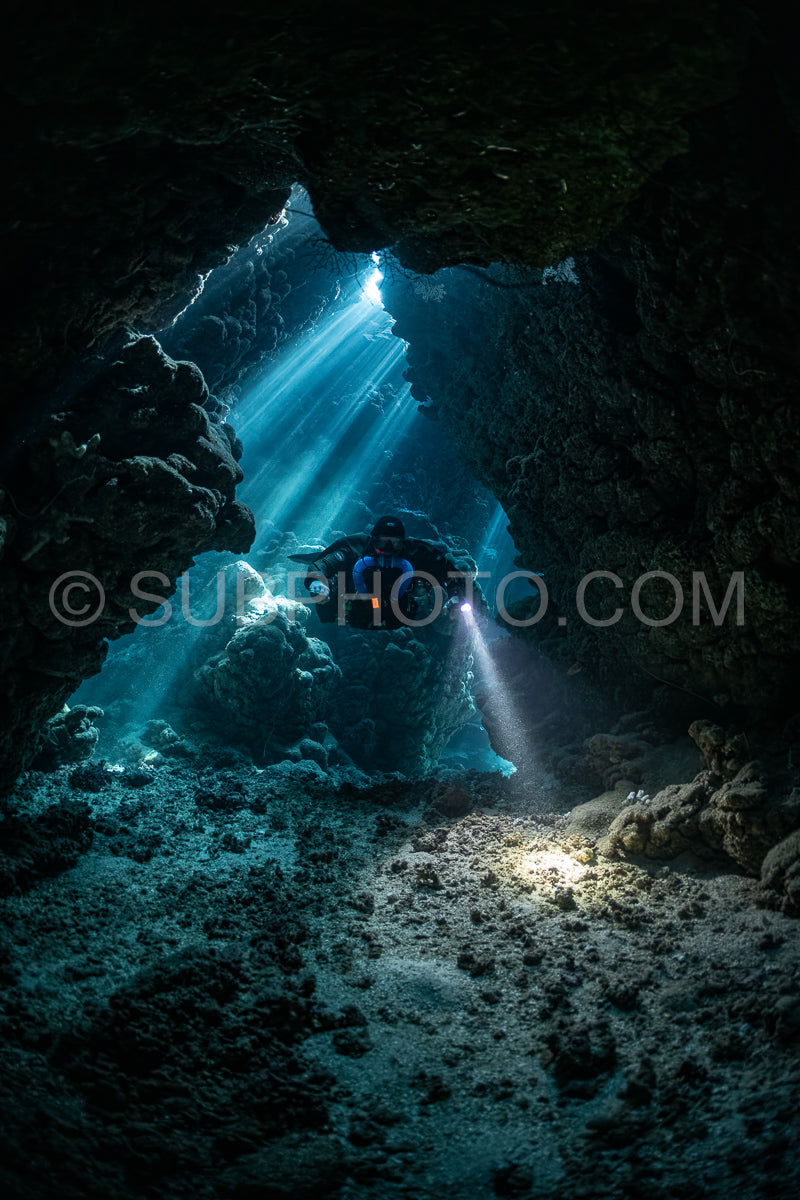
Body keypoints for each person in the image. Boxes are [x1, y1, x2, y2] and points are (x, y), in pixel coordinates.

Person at [288, 515, 481, 629]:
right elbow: (322, 565)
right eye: (382, 541)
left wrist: (457, 597)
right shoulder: (356, 547)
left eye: (395, 542)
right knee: (327, 570)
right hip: (352, 609)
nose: (388, 547)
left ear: (403, 542)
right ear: (373, 540)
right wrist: (318, 585)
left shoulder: (416, 553)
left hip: (397, 614)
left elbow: (449, 572)